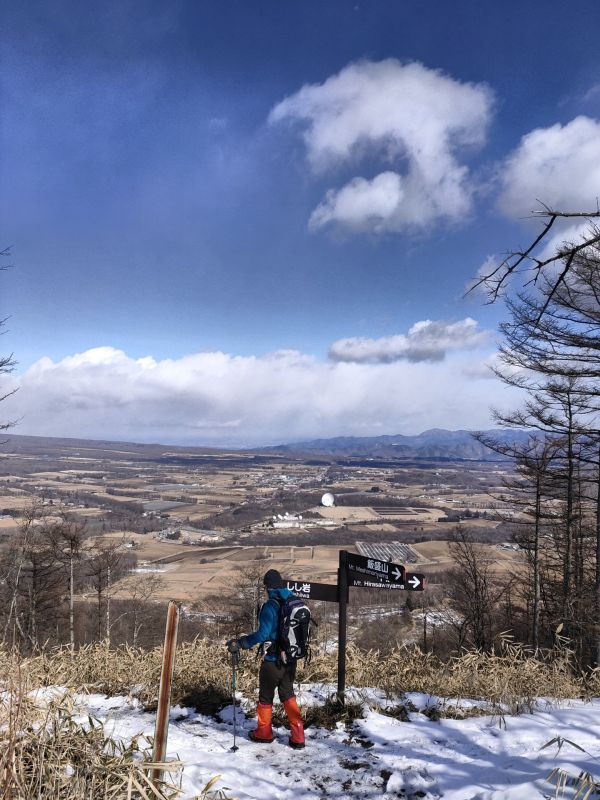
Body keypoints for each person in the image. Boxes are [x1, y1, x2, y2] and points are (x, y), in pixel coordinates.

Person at [233, 568, 305, 748]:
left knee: (265, 698)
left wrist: (243, 642)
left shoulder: (270, 606)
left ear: (267, 587)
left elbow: (263, 634)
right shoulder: (292, 601)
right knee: (288, 696)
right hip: (290, 660)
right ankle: (298, 736)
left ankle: (264, 733)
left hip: (272, 661)